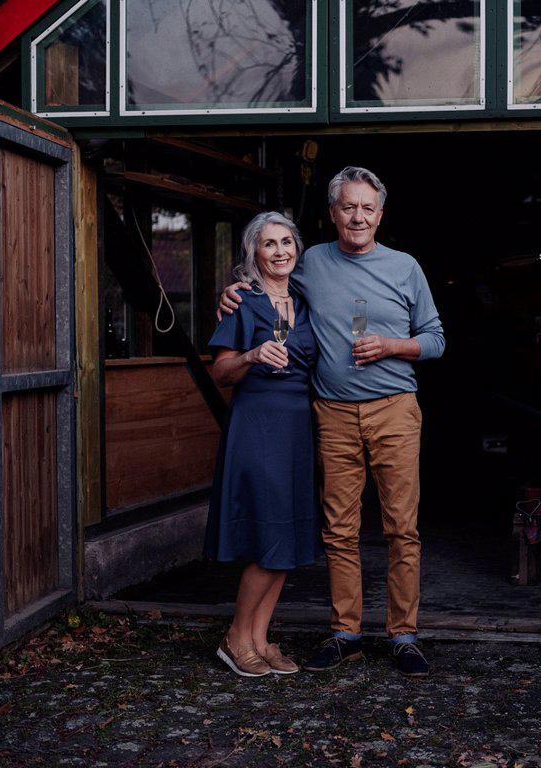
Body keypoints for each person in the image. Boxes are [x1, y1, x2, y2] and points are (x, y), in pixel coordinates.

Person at [219, 167, 444, 677]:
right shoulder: (312, 261)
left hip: (395, 409)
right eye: (348, 207)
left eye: (368, 208)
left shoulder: (405, 267)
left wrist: (391, 345)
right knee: (339, 529)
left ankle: (403, 635)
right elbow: (265, 276)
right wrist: (230, 293)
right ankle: (347, 632)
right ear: (333, 213)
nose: (358, 217)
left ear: (380, 214)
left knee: (400, 528)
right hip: (333, 411)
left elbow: (436, 338)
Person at [206, 211, 319, 678]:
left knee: (288, 534)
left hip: (297, 431)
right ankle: (235, 637)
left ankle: (260, 637)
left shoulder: (306, 302)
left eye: (287, 241)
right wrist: (251, 355)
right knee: (268, 535)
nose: (280, 251)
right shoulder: (243, 305)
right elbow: (221, 372)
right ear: (254, 252)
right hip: (258, 427)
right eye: (269, 243)